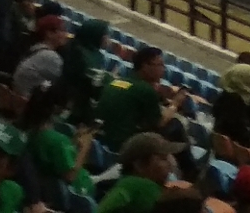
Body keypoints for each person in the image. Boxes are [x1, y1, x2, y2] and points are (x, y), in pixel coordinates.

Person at [96, 46, 194, 178]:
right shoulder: (145, 90)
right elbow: (159, 123)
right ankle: (190, 174)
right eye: (159, 65)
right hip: (125, 147)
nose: (163, 69)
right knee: (174, 125)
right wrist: (176, 103)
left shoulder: (117, 82)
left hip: (102, 144)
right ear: (145, 66)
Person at [15, 81, 95, 208]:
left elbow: (55, 158)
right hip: (77, 192)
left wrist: (73, 142)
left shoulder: (29, 130)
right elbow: (70, 175)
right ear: (56, 109)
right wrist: (85, 147)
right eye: (67, 108)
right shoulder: (57, 141)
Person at [95, 133, 180, 213]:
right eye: (163, 159)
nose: (170, 163)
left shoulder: (126, 182)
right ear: (140, 165)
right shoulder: (142, 186)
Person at [59, 18, 109, 123]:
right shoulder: (86, 57)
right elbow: (94, 85)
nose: (107, 38)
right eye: (105, 34)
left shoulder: (73, 46)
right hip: (75, 108)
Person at [10, 14, 68, 99]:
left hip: (18, 98)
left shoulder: (36, 48)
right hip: (27, 102)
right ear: (49, 34)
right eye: (62, 30)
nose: (65, 34)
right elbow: (64, 86)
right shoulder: (51, 57)